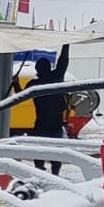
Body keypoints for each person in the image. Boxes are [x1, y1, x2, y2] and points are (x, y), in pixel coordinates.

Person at [28, 45, 71, 175]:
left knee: (39, 149)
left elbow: (20, 95)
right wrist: (66, 45)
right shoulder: (56, 77)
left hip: (41, 121)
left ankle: (39, 170)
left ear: (37, 69)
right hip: (56, 122)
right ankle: (55, 173)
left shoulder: (33, 84)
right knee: (56, 149)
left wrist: (16, 83)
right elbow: (63, 61)